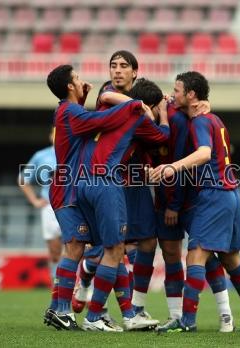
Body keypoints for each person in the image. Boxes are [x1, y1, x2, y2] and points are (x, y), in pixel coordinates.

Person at [150, 71, 240, 332]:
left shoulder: (200, 122)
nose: (173, 94)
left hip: (214, 193)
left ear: (191, 95)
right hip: (231, 194)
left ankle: (187, 321)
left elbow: (203, 153)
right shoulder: (214, 119)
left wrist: (172, 167)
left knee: (196, 257)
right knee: (231, 259)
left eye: (177, 90)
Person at [41, 64, 147, 331]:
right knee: (77, 246)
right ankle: (64, 310)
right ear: (69, 86)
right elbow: (101, 121)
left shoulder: (67, 110)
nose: (82, 80)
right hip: (66, 188)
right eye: (76, 78)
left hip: (73, 186)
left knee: (94, 247)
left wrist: (85, 98)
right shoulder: (71, 111)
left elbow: (82, 126)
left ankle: (60, 308)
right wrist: (135, 105)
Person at [18, 128, 62, 283]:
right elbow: (23, 179)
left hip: (73, 206)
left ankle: (81, 287)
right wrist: (35, 201)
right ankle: (57, 288)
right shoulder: (41, 156)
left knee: (79, 248)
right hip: (50, 207)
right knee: (54, 250)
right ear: (50, 136)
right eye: (55, 134)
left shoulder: (77, 152)